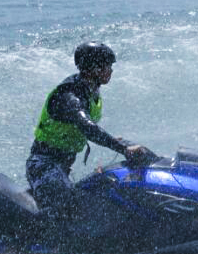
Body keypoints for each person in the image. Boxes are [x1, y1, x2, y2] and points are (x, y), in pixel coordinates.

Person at [25, 41, 153, 214]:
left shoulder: (91, 90)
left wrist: (118, 142)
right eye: (107, 66)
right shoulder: (69, 95)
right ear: (94, 69)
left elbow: (85, 129)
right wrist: (123, 149)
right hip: (44, 165)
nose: (111, 70)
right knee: (66, 211)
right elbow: (87, 127)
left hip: (63, 165)